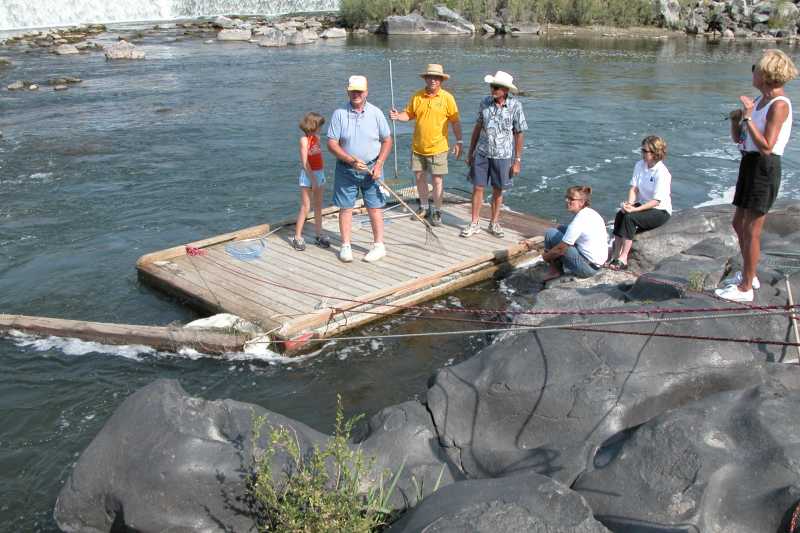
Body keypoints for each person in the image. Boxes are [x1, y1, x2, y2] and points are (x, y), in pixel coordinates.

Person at [716, 50, 797, 302]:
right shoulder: (760, 101)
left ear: (767, 74)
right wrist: (736, 121)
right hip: (749, 164)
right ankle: (748, 274)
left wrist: (749, 117)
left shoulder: (779, 105)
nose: (753, 72)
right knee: (738, 224)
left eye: (756, 68)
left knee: (752, 230)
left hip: (765, 167)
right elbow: (742, 139)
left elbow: (767, 146)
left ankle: (746, 288)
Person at [327, 75, 393, 263]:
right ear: (348, 91)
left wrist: (379, 164)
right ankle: (345, 245)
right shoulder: (339, 114)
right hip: (346, 169)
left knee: (375, 207)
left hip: (373, 168)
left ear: (366, 92)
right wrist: (350, 160)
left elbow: (387, 140)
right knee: (345, 207)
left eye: (359, 91)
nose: (356, 94)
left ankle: (379, 245)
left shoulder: (376, 113)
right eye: (353, 91)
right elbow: (332, 143)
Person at [389, 64, 463, 226]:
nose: (433, 80)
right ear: (426, 79)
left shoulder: (447, 98)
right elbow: (408, 114)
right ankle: (423, 207)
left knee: (437, 180)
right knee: (419, 178)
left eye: (437, 78)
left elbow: (455, 122)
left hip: (438, 148)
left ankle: (437, 211)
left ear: (441, 80)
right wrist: (397, 116)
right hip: (418, 147)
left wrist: (459, 141)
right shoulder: (417, 96)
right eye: (430, 77)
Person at [462, 70, 527, 239]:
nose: (493, 89)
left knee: (498, 190)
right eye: (492, 86)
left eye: (496, 87)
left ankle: (494, 222)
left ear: (505, 90)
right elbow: (477, 127)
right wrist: (470, 152)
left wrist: (517, 160)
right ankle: (474, 223)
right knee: (477, 187)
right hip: (482, 153)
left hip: (503, 155)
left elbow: (519, 133)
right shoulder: (484, 102)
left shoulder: (515, 106)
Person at [608, 135, 673, 271]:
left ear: (656, 153)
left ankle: (623, 258)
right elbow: (634, 188)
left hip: (660, 210)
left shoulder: (662, 173)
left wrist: (635, 210)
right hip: (644, 204)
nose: (642, 153)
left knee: (630, 218)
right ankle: (615, 254)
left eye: (645, 151)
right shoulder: (640, 165)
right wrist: (630, 204)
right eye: (642, 150)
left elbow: (656, 201)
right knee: (621, 214)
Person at [542, 186, 608, 280]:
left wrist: (545, 257)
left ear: (581, 202)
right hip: (596, 264)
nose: (567, 200)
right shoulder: (591, 213)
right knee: (561, 229)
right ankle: (555, 267)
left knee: (551, 233)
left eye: (571, 199)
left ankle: (555, 270)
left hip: (588, 269)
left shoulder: (579, 221)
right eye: (567, 197)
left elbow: (561, 249)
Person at [291, 112, 330, 251]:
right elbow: (305, 162)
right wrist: (313, 178)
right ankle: (297, 236)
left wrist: (320, 175)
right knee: (306, 207)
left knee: (318, 206)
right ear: (313, 125)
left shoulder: (317, 138)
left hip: (319, 173)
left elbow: (319, 156)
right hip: (308, 175)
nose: (321, 128)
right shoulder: (304, 140)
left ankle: (319, 234)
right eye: (320, 125)